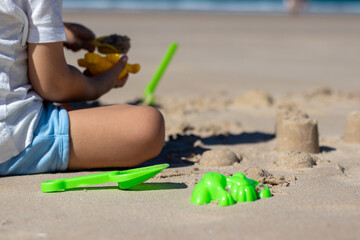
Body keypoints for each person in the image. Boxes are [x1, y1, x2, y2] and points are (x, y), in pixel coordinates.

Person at [0, 0, 165, 176]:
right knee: (147, 126)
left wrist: (55, 29)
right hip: (11, 138)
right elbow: (53, 85)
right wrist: (98, 85)